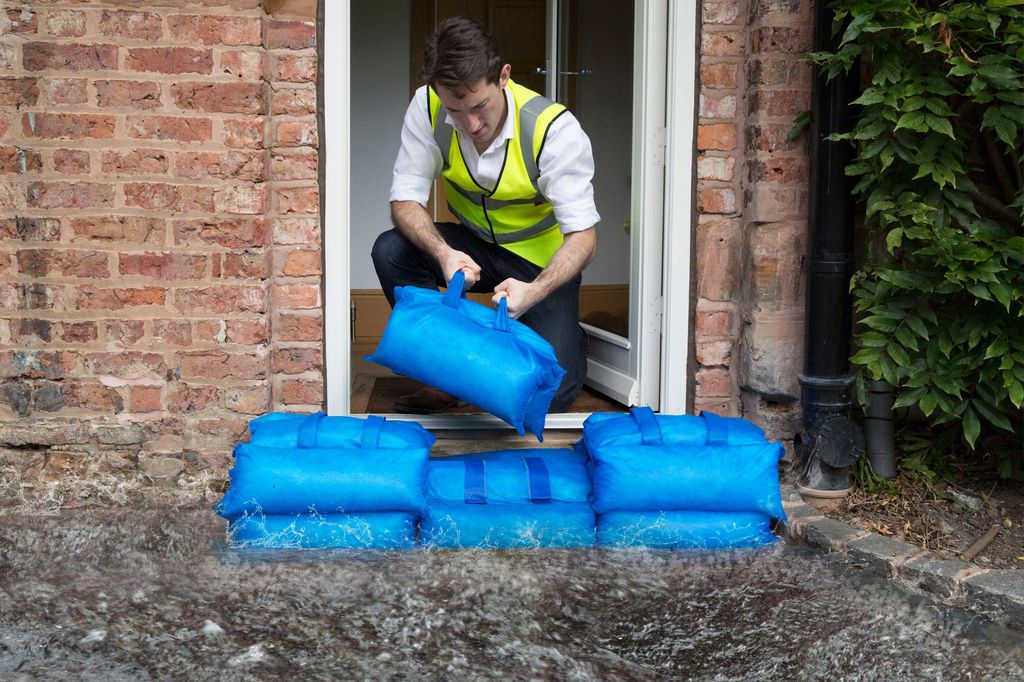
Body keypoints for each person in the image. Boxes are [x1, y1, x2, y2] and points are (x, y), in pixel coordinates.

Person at [371, 16, 599, 415]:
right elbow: (404, 200)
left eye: (479, 106)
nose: (471, 124)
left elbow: (583, 237)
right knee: (391, 249)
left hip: (538, 266)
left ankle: (567, 336)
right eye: (456, 111)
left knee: (552, 398)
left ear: (504, 77)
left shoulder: (554, 130)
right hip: (473, 250)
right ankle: (444, 372)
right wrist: (443, 254)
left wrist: (538, 290)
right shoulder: (426, 105)